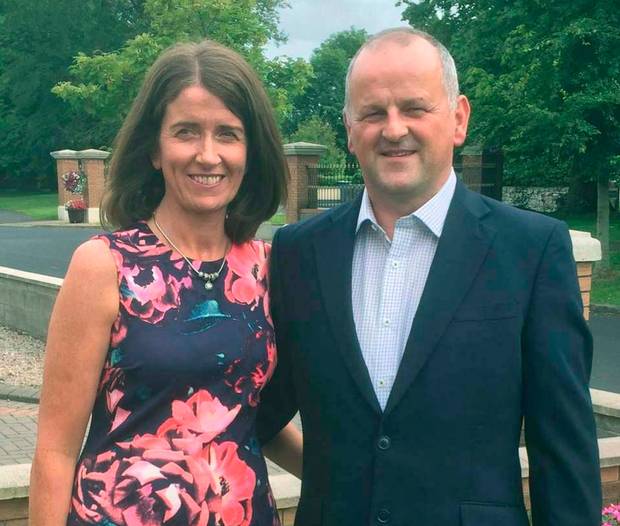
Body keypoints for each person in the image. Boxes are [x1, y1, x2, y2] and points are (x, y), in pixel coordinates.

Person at [257, 27, 601, 525]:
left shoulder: (531, 251)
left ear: (458, 118)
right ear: (350, 130)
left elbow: (564, 453)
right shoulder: (298, 253)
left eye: (415, 108)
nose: (394, 129)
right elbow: (260, 409)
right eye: (373, 113)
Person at [30, 39, 302, 526]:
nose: (207, 154)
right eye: (186, 132)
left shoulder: (269, 268)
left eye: (227, 134)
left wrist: (362, 475)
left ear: (250, 150)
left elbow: (259, 417)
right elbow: (54, 453)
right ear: (154, 149)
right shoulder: (104, 266)